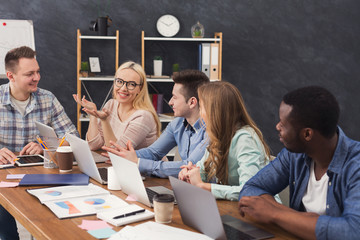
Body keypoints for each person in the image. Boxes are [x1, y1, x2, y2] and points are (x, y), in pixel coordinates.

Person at [238, 86, 360, 240]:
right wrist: (295, 217)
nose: (277, 127)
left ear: (307, 134)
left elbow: (353, 232)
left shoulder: (356, 166)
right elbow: (251, 188)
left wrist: (274, 213)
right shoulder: (293, 156)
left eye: (283, 124)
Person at [0, 46, 78, 239]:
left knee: (48, 226)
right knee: (6, 232)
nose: (37, 77)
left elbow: (72, 136)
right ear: (11, 75)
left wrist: (45, 145)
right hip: (3, 176)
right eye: (30, 74)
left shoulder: (47, 98)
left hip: (40, 175)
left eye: (38, 72)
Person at [103, 69, 210, 178]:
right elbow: (154, 152)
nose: (170, 102)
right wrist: (126, 156)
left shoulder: (211, 131)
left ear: (192, 102)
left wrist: (138, 162)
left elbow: (188, 166)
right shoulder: (177, 124)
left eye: (175, 97)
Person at [178, 81, 271, 201]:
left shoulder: (245, 139)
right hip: (234, 208)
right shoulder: (219, 136)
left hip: (260, 211)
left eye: (202, 107)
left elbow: (249, 191)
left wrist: (203, 186)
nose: (200, 114)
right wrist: (190, 174)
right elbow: (203, 171)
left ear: (215, 112)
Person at [73, 61, 161, 150]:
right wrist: (93, 115)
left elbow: (117, 152)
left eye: (131, 84)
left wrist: (104, 121)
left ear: (140, 89)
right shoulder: (111, 105)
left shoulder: (143, 116)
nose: (123, 88)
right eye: (119, 81)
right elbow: (93, 145)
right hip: (122, 163)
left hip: (143, 164)